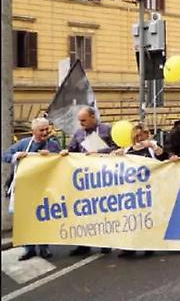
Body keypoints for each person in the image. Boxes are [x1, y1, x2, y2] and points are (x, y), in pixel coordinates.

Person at [3, 117, 61, 261]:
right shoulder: (23, 144)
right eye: (41, 130)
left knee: (43, 219)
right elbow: (4, 155)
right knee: (26, 219)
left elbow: (61, 160)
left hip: (44, 189)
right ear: (33, 131)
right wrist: (16, 156)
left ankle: (43, 248)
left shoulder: (53, 145)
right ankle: (29, 249)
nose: (45, 132)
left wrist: (52, 156)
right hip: (24, 189)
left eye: (47, 129)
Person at [63, 106, 116, 256]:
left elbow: (117, 148)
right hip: (84, 180)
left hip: (104, 178)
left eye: (84, 120)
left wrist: (99, 152)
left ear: (93, 117)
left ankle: (106, 243)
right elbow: (72, 149)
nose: (81, 124)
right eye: (79, 121)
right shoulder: (79, 133)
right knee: (83, 213)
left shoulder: (107, 130)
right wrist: (66, 152)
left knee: (104, 210)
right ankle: (83, 245)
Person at [114, 123, 168, 258]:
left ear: (146, 134)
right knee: (131, 219)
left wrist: (153, 146)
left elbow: (163, 157)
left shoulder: (151, 147)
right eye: (136, 135)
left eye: (141, 135)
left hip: (149, 190)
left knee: (147, 219)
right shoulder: (127, 151)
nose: (138, 138)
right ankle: (129, 247)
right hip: (132, 192)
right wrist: (117, 156)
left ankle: (148, 245)